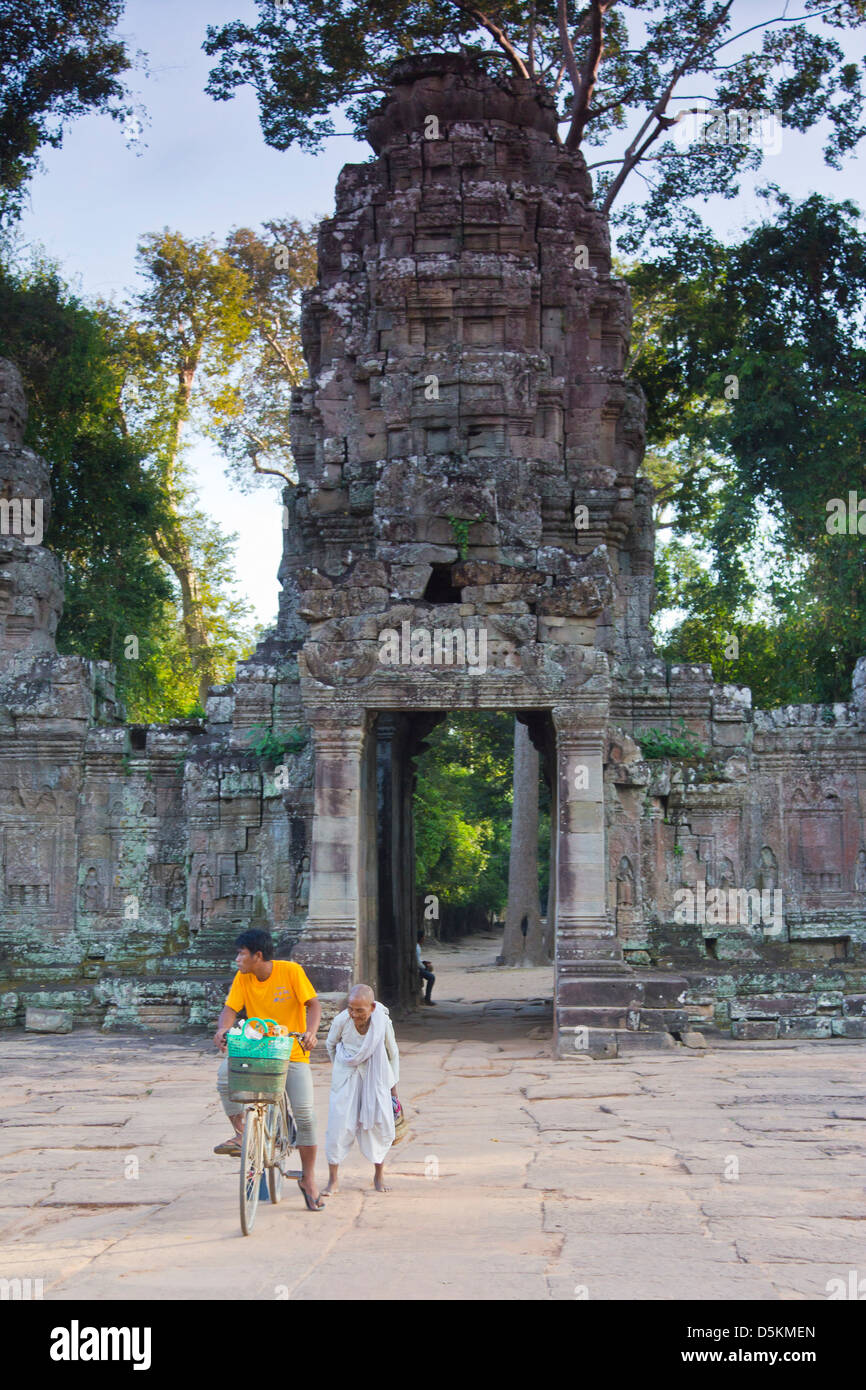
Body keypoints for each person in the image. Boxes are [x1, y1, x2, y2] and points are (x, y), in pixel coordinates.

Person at [212, 926, 325, 1211]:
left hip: (292, 1052)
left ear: (258, 955)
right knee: (225, 1077)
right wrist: (223, 1029)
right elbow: (230, 1009)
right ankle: (241, 1132)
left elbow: (313, 1005)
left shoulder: (291, 972)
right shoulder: (243, 977)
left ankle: (308, 1178)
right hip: (255, 1049)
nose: (238, 959)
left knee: (305, 1115)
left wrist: (310, 1033)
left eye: (242, 954)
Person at [322, 984, 399, 1195]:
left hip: (376, 1079)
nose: (354, 1015)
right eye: (351, 1009)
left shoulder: (382, 1021)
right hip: (346, 1077)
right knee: (338, 1126)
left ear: (372, 1007)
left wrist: (393, 1092)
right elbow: (330, 1045)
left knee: (379, 1126)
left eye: (360, 1010)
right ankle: (333, 1180)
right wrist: (341, 1068)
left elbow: (392, 1054)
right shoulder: (341, 1021)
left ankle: (379, 1176)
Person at [416, 929, 436, 1004]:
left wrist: (424, 963)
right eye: (424, 937)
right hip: (418, 968)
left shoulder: (417, 946)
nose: (424, 939)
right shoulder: (417, 947)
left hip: (418, 966)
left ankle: (427, 998)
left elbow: (418, 960)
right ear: (421, 938)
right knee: (431, 977)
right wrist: (425, 967)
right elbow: (417, 962)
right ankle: (427, 998)